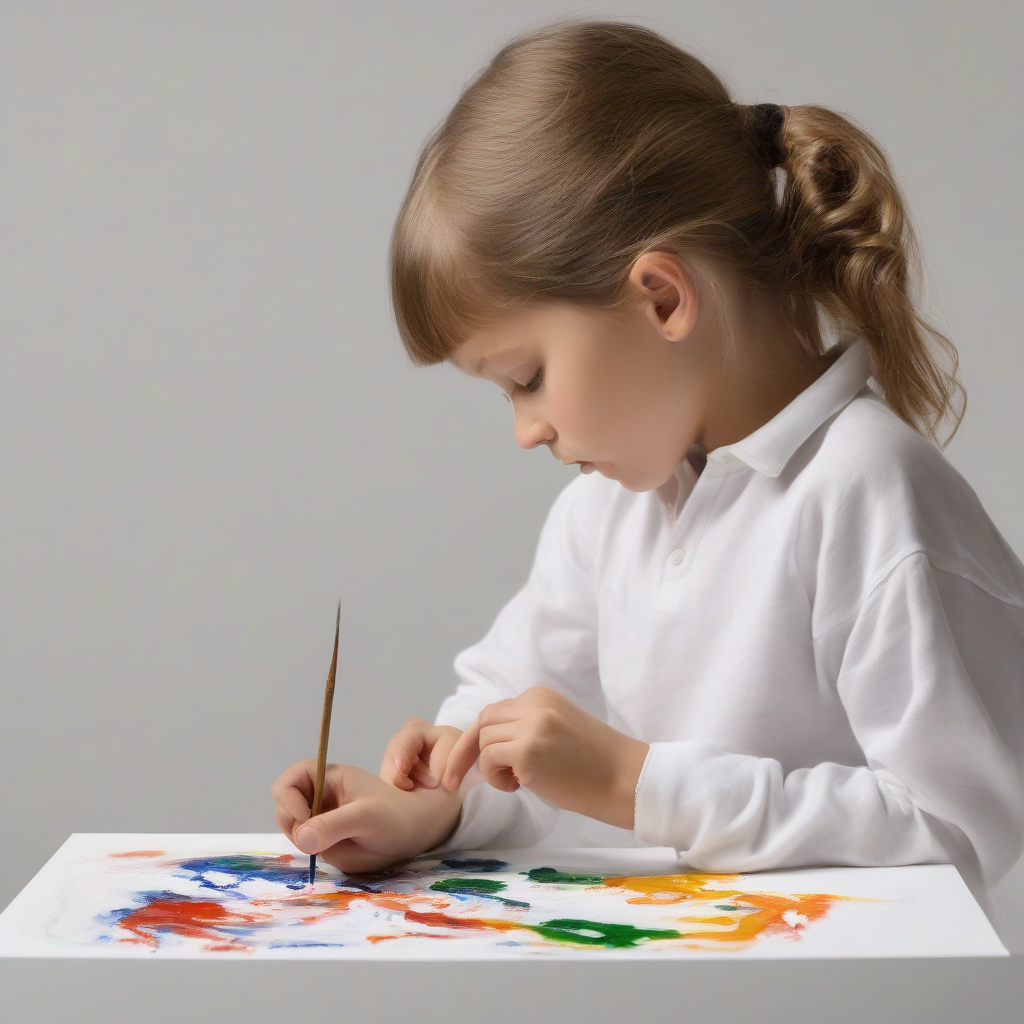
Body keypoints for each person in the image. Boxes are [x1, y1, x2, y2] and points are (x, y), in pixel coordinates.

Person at [271, 19, 1024, 896]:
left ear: (662, 297)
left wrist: (636, 784)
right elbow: (511, 721)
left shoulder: (868, 494)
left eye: (528, 378)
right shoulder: (608, 514)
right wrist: (430, 803)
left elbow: (968, 826)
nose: (526, 431)